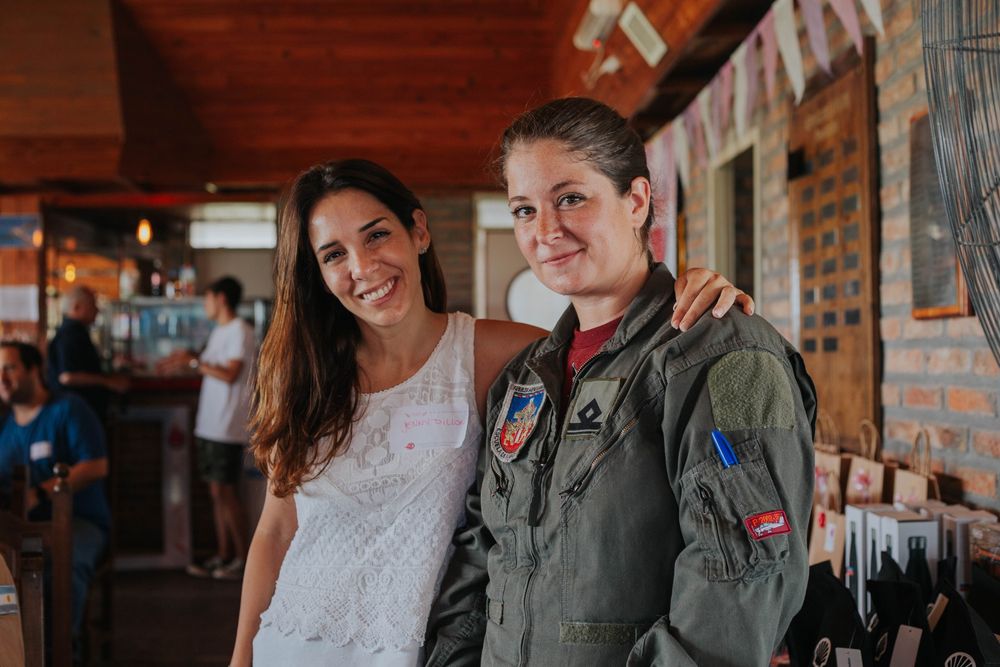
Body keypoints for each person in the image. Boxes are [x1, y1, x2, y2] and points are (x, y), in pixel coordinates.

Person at [229, 158, 753, 667]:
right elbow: (276, 532)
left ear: (418, 232)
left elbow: (616, 346)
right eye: (333, 254)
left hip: (420, 650)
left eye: (376, 235)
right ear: (317, 273)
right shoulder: (306, 378)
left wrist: (691, 295)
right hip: (291, 641)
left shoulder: (495, 355)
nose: (362, 267)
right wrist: (241, 657)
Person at [424, 97, 817, 667]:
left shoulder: (724, 353)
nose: (546, 230)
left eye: (571, 199)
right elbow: (484, 550)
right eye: (524, 210)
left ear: (636, 200)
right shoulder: (524, 379)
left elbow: (742, 579)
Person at [0, 341, 110, 639]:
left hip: (81, 520)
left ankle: (60, 652)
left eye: (9, 368)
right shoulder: (5, 426)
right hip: (22, 528)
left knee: (62, 567)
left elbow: (97, 466)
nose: (2, 379)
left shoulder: (68, 408)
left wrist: (41, 492)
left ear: (35, 370)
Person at [161, 277, 257, 581]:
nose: (205, 305)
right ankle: (224, 555)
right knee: (217, 493)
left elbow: (230, 374)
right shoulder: (220, 332)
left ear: (221, 299)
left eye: (207, 298)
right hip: (211, 424)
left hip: (227, 425)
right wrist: (187, 360)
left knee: (227, 493)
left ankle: (243, 561)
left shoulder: (241, 331)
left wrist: (193, 363)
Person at [47, 285, 129, 425]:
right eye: (93, 305)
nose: (97, 310)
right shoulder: (70, 334)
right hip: (76, 412)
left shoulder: (76, 331)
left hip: (81, 410)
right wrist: (108, 382)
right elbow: (67, 376)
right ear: (77, 307)